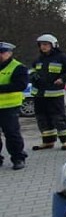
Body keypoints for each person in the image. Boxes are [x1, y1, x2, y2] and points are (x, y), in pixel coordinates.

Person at [29, 34, 66, 151]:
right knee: (42, 118)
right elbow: (31, 69)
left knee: (59, 118)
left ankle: (65, 141)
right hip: (39, 94)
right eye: (41, 45)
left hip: (54, 94)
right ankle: (48, 142)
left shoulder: (62, 58)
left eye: (46, 44)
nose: (43, 47)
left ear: (53, 45)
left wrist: (63, 78)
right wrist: (33, 75)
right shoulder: (38, 59)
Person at [0, 42, 29, 170]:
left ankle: (18, 158)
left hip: (9, 106)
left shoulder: (18, 67)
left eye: (2, 52)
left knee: (11, 133)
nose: (0, 55)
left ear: (10, 53)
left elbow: (20, 85)